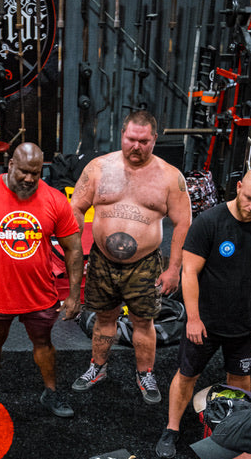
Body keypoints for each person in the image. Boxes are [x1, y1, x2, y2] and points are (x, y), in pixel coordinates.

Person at [155, 168, 251, 459]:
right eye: (249, 198)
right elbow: (190, 271)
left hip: (245, 325)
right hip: (205, 323)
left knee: (240, 380)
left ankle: (236, 430)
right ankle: (171, 429)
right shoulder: (210, 222)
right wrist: (193, 317)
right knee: (187, 375)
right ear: (238, 187)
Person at [69, 110, 192, 405]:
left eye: (143, 141)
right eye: (131, 139)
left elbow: (183, 221)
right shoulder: (98, 168)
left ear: (154, 139)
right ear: (122, 135)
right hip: (102, 260)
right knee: (104, 318)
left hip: (145, 263)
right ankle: (97, 368)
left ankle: (145, 373)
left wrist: (174, 268)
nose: (136, 146)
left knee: (143, 322)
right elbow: (75, 208)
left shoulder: (169, 176)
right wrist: (76, 253)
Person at [0, 142, 83, 420]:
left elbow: (74, 247)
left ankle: (50, 392)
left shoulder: (55, 200)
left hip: (39, 293)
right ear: (10, 165)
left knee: (44, 342)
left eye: (35, 173)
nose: (29, 179)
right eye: (23, 171)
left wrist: (74, 295)